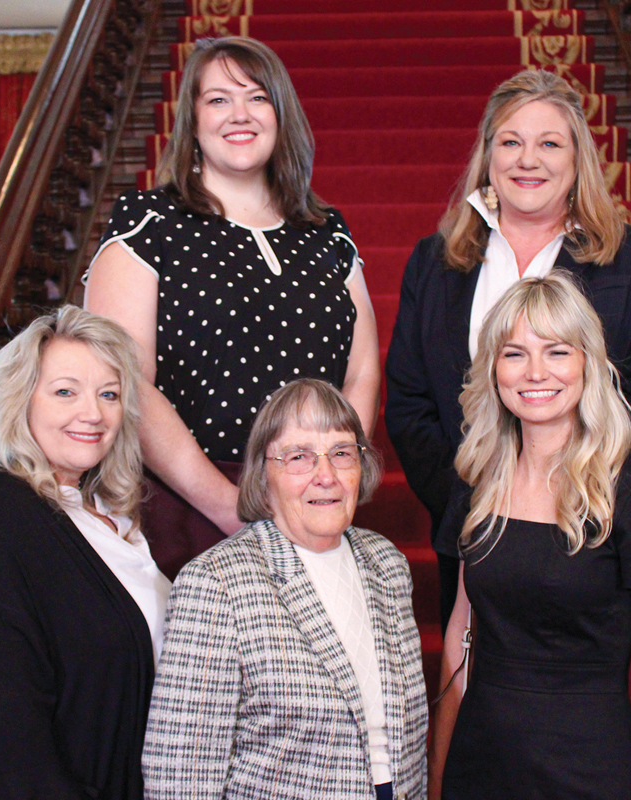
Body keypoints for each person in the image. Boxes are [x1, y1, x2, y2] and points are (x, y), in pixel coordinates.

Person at [385, 69, 631, 628]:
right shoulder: (435, 261)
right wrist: (465, 502)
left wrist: (574, 499)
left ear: (577, 159)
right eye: (511, 142)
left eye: (549, 143)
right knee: (470, 685)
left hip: (583, 526)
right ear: (488, 156)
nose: (527, 159)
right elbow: (410, 400)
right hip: (468, 519)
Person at [84, 37, 379, 578]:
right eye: (218, 100)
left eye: (257, 97)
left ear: (280, 114)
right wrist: (229, 506)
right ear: (192, 122)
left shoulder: (327, 232)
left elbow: (361, 368)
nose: (240, 114)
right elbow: (126, 381)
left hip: (316, 502)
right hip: (188, 504)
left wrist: (334, 474)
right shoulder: (151, 223)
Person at [428, 272, 631, 800]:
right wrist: (437, 778)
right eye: (515, 354)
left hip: (588, 768)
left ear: (587, 363)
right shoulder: (474, 483)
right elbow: (459, 643)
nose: (536, 372)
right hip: (480, 762)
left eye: (557, 351)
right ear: (494, 370)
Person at [143, 379, 427, 800]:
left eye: (342, 453)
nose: (326, 476)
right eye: (299, 457)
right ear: (263, 473)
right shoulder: (217, 582)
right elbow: (181, 772)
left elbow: (403, 741)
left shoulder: (386, 563)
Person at [0, 306, 169, 800]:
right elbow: (6, 734)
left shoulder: (102, 510)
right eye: (65, 391)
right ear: (19, 401)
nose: (93, 413)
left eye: (108, 394)